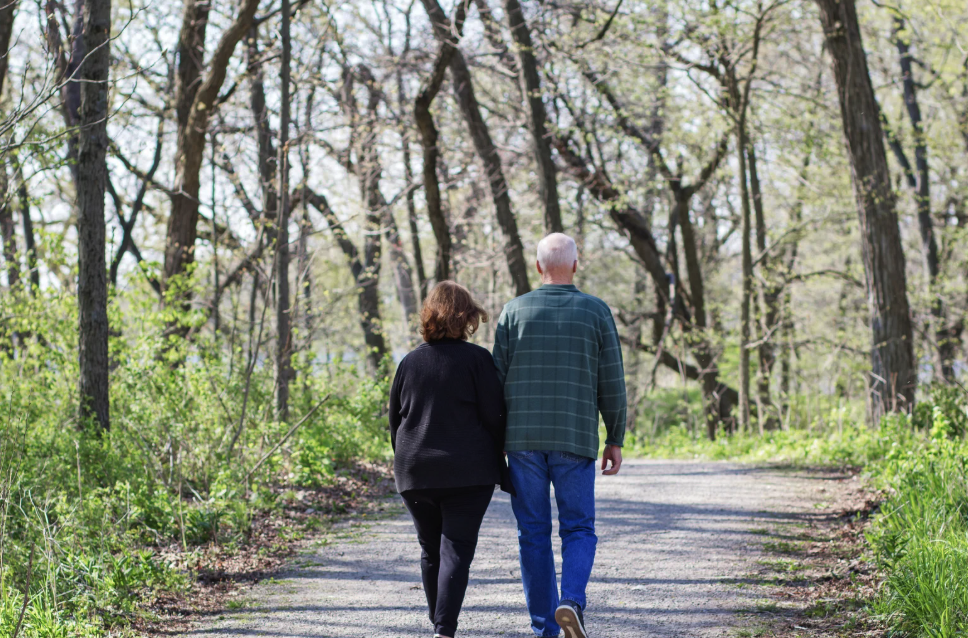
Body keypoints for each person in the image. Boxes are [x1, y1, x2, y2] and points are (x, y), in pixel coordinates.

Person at [492, 233, 627, 638]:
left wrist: (494, 441)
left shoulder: (513, 311)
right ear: (575, 265)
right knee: (578, 528)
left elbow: (495, 383)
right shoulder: (596, 311)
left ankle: (544, 629)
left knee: (532, 533)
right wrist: (615, 437)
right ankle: (571, 601)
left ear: (538, 267)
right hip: (574, 436)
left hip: (522, 441)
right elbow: (612, 381)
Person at [389, 281, 512, 638]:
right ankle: (443, 630)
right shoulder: (477, 360)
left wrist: (407, 460)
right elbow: (495, 415)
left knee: (431, 550)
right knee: (456, 549)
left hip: (415, 471)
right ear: (468, 316)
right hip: (468, 472)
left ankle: (439, 625)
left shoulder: (409, 362)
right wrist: (502, 450)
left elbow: (395, 421)